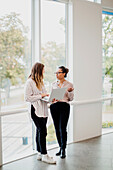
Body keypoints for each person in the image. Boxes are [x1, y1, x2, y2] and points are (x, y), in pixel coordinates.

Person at [25, 62, 56, 164]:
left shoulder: (41, 82)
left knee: (40, 131)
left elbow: (44, 95)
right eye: (43, 70)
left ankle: (39, 153)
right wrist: (41, 96)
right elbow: (28, 98)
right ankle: (44, 154)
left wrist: (50, 99)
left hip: (43, 109)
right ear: (38, 70)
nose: (44, 71)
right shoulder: (29, 82)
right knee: (43, 132)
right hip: (35, 110)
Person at [50, 66, 74, 159]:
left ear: (64, 73)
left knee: (62, 128)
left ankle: (63, 149)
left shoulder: (69, 84)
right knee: (56, 128)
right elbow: (51, 97)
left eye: (59, 72)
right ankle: (60, 147)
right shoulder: (53, 84)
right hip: (54, 106)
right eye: (56, 73)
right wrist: (52, 99)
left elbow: (71, 98)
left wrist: (69, 92)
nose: (57, 74)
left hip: (64, 106)